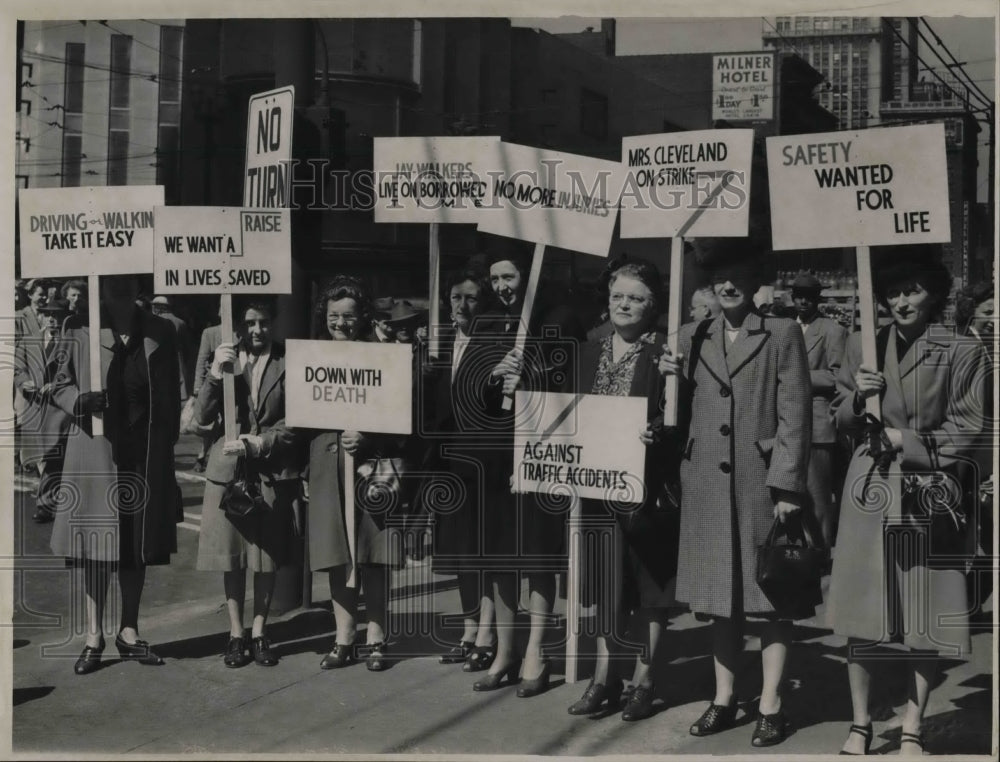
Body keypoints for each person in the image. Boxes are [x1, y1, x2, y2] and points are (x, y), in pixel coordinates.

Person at [828, 248, 988, 756]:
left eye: (913, 290)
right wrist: (857, 398)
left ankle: (914, 727)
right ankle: (860, 724)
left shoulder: (962, 350)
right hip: (867, 490)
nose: (901, 301)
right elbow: (837, 421)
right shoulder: (863, 345)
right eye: (894, 291)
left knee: (923, 612)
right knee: (862, 612)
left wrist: (907, 442)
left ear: (934, 294)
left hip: (928, 492)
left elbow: (970, 428)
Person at [659, 238, 812, 747]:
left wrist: (787, 485)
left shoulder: (781, 332)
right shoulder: (689, 335)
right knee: (716, 600)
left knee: (771, 597)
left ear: (756, 284)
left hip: (759, 482)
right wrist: (668, 382)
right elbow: (673, 414)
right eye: (719, 279)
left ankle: (770, 703)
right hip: (704, 482)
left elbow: (795, 414)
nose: (728, 286)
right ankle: (724, 698)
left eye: (740, 278)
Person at [566, 260, 681, 722]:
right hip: (597, 489)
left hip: (646, 490)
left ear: (652, 306)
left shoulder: (664, 356)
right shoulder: (587, 351)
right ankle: (604, 677)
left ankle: (645, 681)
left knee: (650, 589)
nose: (625, 304)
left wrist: (660, 427)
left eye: (635, 297)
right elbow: (563, 413)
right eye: (618, 296)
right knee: (604, 586)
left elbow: (679, 422)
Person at [49, 275, 181, 675]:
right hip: (95, 450)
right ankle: (94, 636)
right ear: (99, 284)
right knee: (94, 545)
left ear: (138, 282)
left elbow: (172, 392)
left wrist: (166, 449)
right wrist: (77, 401)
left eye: (127, 278)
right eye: (111, 280)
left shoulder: (161, 328)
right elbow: (57, 382)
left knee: (135, 543)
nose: (120, 286)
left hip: (143, 451)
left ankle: (129, 630)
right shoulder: (78, 326)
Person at [472, 248, 578, 697]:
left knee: (536, 554)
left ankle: (537, 649)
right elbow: (469, 391)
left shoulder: (560, 318)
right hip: (498, 452)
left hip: (540, 448)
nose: (501, 287)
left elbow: (573, 379)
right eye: (495, 278)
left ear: (528, 276)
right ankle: (506, 651)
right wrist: (494, 374)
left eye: (509, 276)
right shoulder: (489, 325)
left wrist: (531, 376)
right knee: (498, 555)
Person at [305, 276, 410, 672]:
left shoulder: (381, 356)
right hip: (326, 465)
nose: (341, 324)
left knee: (373, 554)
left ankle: (377, 636)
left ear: (361, 317)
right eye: (334, 316)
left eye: (348, 317)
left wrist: (367, 435)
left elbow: (402, 420)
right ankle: (343, 637)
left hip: (371, 467)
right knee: (337, 556)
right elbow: (300, 420)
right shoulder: (312, 357)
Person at [195, 298, 300, 668]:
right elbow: (201, 418)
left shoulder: (289, 360)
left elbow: (297, 420)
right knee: (233, 557)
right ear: (239, 326)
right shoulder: (225, 359)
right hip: (228, 472)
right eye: (250, 323)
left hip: (269, 469)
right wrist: (214, 375)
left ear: (274, 322)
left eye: (264, 322)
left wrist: (262, 442)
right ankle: (235, 633)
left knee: (265, 557)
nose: (258, 330)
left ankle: (260, 631)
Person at [418, 268, 498, 671]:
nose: (461, 306)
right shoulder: (443, 341)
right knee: (457, 552)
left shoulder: (495, 343)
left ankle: (487, 631)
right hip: (448, 461)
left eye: (469, 298)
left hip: (481, 461)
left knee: (480, 551)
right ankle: (468, 629)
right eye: (455, 297)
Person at [790, 272, 848, 548]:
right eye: (799, 296)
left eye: (809, 297)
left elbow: (839, 376)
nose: (803, 302)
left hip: (816, 424)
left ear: (818, 300)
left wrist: (798, 375)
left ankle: (822, 555)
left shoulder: (832, 330)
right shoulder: (784, 326)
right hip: (785, 421)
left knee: (818, 496)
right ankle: (795, 553)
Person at [14, 298, 74, 523]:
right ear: (40, 316)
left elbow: (76, 370)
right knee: (44, 458)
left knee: (53, 458)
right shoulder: (29, 341)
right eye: (48, 314)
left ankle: (46, 505)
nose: (52, 319)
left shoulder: (71, 341)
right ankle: (52, 502)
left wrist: (58, 384)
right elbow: (17, 368)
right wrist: (24, 382)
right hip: (35, 407)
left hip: (61, 410)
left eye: (57, 315)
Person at [191, 306, 224, 473]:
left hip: (235, 385)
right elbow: (201, 359)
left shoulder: (241, 330)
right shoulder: (210, 333)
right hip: (213, 383)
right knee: (210, 423)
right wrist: (198, 386)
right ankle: (203, 455)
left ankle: (205, 456)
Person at [151, 295, 194, 402]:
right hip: (178, 362)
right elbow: (187, 348)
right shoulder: (180, 322)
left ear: (157, 307)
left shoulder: (153, 321)